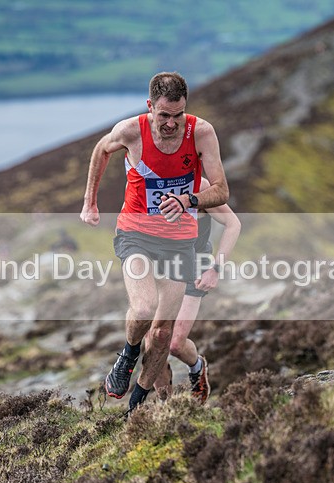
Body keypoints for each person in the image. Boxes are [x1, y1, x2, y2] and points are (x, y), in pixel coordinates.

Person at [80, 71, 229, 413]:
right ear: (150, 107)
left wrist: (189, 201)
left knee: (163, 335)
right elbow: (101, 150)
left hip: (179, 243)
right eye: (164, 116)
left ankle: (136, 406)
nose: (171, 124)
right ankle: (128, 355)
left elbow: (221, 190)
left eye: (178, 116)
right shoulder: (132, 131)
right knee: (144, 309)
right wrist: (90, 202)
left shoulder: (202, 133)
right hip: (135, 235)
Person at [152, 177, 241, 404]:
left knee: (174, 344)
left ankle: (197, 367)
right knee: (154, 344)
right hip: (160, 268)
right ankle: (165, 410)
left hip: (194, 267)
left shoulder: (199, 186)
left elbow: (233, 224)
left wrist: (216, 268)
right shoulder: (147, 180)